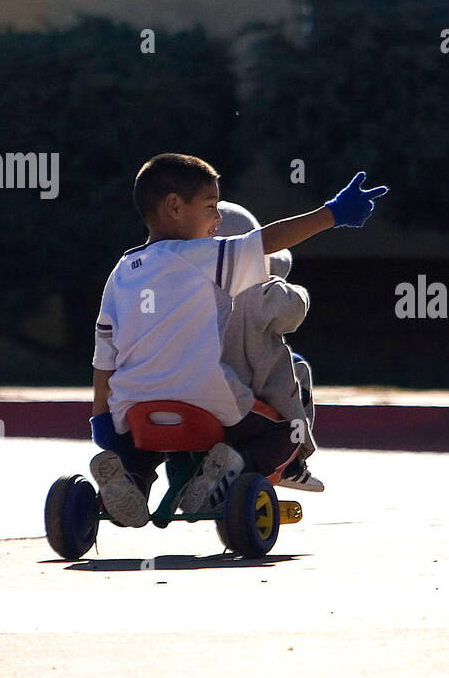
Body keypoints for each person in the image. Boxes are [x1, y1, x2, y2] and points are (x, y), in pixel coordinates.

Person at [88, 153, 387, 527]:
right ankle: (223, 476)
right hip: (204, 397)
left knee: (140, 449)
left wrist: (101, 416)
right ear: (175, 207)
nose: (217, 218)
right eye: (210, 207)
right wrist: (331, 214)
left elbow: (104, 355)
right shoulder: (201, 255)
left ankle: (126, 481)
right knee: (286, 432)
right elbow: (266, 240)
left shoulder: (121, 272)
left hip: (134, 405)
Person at [214, 201, 322, 491]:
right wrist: (285, 286)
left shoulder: (185, 289)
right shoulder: (259, 293)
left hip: (184, 392)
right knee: (291, 419)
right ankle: (290, 465)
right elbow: (293, 312)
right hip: (244, 394)